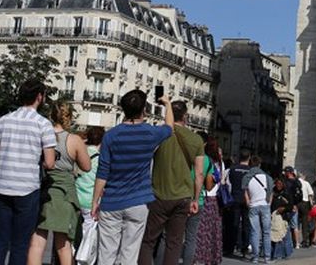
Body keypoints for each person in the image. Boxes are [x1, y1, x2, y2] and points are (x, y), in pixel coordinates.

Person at [91, 89, 174, 265]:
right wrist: (167, 104)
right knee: (130, 255)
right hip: (138, 201)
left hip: (112, 201)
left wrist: (95, 202)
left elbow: (103, 171)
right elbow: (169, 127)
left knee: (106, 254)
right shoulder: (150, 133)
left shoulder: (111, 135)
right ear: (143, 109)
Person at [0, 79, 57, 265]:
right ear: (39, 97)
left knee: (0, 242)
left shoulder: (3, 120)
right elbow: (50, 163)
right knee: (20, 244)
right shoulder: (43, 124)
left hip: (3, 186)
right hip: (27, 189)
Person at [139, 100, 204, 265]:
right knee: (174, 243)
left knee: (148, 241)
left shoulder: (159, 134)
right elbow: (199, 173)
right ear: (185, 116)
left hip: (158, 194)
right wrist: (195, 199)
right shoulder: (196, 139)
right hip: (183, 196)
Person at [29, 101, 92, 265]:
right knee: (63, 243)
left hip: (43, 189)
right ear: (69, 117)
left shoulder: (43, 134)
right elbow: (87, 166)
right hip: (64, 193)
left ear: (50, 116)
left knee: (37, 241)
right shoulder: (74, 139)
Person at [75, 126, 105, 265]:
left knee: (73, 234)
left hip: (75, 198)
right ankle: (83, 261)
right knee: (88, 236)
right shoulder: (101, 159)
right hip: (90, 201)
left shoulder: (79, 153)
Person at [192, 140, 224, 265]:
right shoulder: (220, 164)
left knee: (202, 231)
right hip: (215, 200)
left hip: (207, 198)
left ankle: (200, 257)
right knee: (214, 231)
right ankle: (213, 257)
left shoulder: (206, 162)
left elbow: (209, 185)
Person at [242, 155, 272, 263]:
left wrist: (248, 201)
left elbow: (245, 191)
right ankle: (267, 258)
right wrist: (269, 203)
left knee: (254, 232)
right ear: (260, 164)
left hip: (253, 205)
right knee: (266, 232)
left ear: (250, 164)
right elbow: (270, 192)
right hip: (264, 205)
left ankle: (255, 257)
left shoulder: (246, 177)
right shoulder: (267, 177)